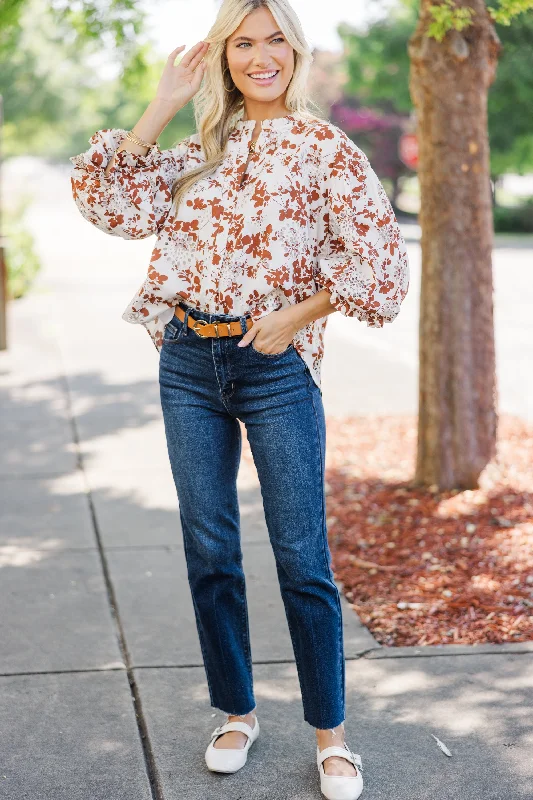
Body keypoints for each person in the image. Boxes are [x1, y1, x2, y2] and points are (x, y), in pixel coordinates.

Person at [69, 1, 409, 797]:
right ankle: (235, 712)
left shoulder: (325, 149)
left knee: (301, 558)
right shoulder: (199, 148)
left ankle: (332, 737)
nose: (260, 58)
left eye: (273, 42)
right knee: (211, 550)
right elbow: (107, 202)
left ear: (295, 50)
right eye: (242, 44)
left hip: (276, 368)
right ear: (224, 57)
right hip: (187, 360)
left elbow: (378, 267)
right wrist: (161, 101)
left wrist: (295, 315)